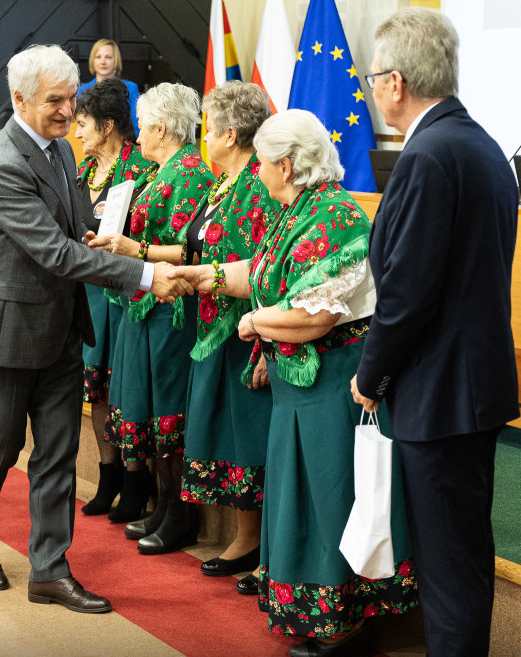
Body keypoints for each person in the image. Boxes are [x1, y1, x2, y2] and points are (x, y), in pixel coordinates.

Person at [170, 109, 418, 657]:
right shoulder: (298, 209)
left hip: (332, 388)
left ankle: (345, 627)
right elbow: (262, 271)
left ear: (285, 165)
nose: (256, 172)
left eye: (261, 162)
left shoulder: (334, 216)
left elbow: (315, 315)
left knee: (330, 500)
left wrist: (255, 323)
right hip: (299, 390)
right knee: (303, 499)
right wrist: (204, 277)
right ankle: (318, 615)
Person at [0, 45, 190, 612]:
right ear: (19, 100)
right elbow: (54, 253)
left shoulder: (59, 148)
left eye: (70, 99)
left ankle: (50, 571)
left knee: (58, 455)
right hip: (6, 333)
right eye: (54, 101)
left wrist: (106, 237)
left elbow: (74, 228)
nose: (67, 112)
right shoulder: (2, 164)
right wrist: (144, 274)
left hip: (61, 329)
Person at [351, 8, 520, 657]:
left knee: (449, 572)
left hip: (440, 394)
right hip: (471, 389)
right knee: (464, 561)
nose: (372, 89)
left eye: (373, 78)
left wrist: (371, 375)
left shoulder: (427, 155)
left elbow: (406, 295)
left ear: (395, 82)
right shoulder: (480, 146)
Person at [87, 82, 214, 555]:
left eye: (143, 126)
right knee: (151, 407)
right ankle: (164, 505)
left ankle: (181, 514)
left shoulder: (192, 174)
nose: (137, 134)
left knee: (168, 410)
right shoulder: (163, 170)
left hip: (171, 309)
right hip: (144, 304)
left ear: (161, 128)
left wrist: (133, 248)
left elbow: (192, 251)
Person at [177, 82, 279, 590]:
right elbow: (200, 251)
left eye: (208, 127)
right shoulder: (224, 183)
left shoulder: (261, 186)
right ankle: (247, 536)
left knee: (253, 439)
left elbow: (270, 269)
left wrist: (265, 345)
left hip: (247, 334)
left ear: (231, 134)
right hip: (215, 326)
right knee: (233, 437)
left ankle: (266, 547)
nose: (204, 137)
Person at [73, 78, 154, 518]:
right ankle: (109, 478)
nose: (77, 132)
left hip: (125, 297)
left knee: (127, 390)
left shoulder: (141, 169)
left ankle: (137, 481)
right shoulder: (82, 170)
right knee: (97, 391)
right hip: (87, 296)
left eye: (83, 124)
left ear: (107, 127)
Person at [77, 39, 140, 134]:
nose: (103, 62)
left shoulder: (131, 88)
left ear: (116, 61)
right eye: (98, 57)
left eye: (108, 57)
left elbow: (137, 124)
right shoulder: (81, 91)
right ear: (92, 60)